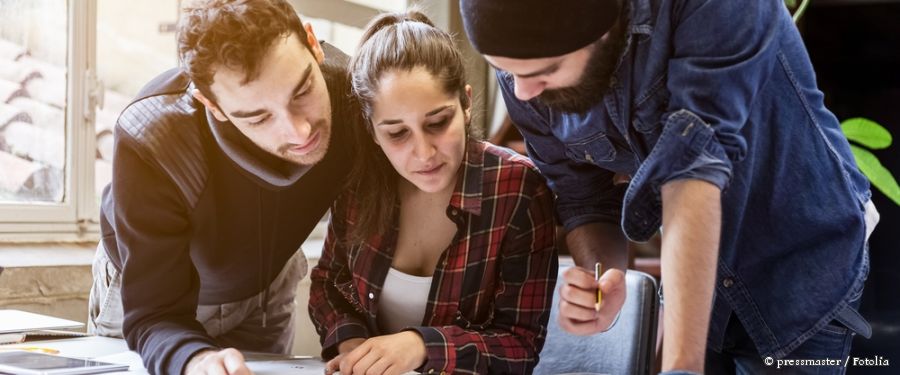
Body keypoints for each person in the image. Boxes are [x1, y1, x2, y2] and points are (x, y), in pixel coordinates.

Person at [458, 0, 879, 374]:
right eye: (506, 71)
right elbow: (583, 197)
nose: (523, 93)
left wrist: (680, 367)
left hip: (801, 268)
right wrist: (602, 280)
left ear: (605, 30)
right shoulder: (523, 73)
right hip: (697, 284)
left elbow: (692, 169)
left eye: (545, 71)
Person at [86, 0, 360, 373]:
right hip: (149, 288)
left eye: (302, 91)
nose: (300, 132)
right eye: (259, 117)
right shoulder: (151, 137)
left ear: (313, 44)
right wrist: (194, 360)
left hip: (268, 283)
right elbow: (155, 311)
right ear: (211, 104)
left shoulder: (357, 94)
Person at [308, 11, 559, 375]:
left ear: (466, 104)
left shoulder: (519, 189)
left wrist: (421, 346)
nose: (424, 153)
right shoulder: (358, 185)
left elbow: (519, 345)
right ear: (372, 131)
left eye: (438, 122)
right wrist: (353, 346)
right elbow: (328, 285)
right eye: (397, 133)